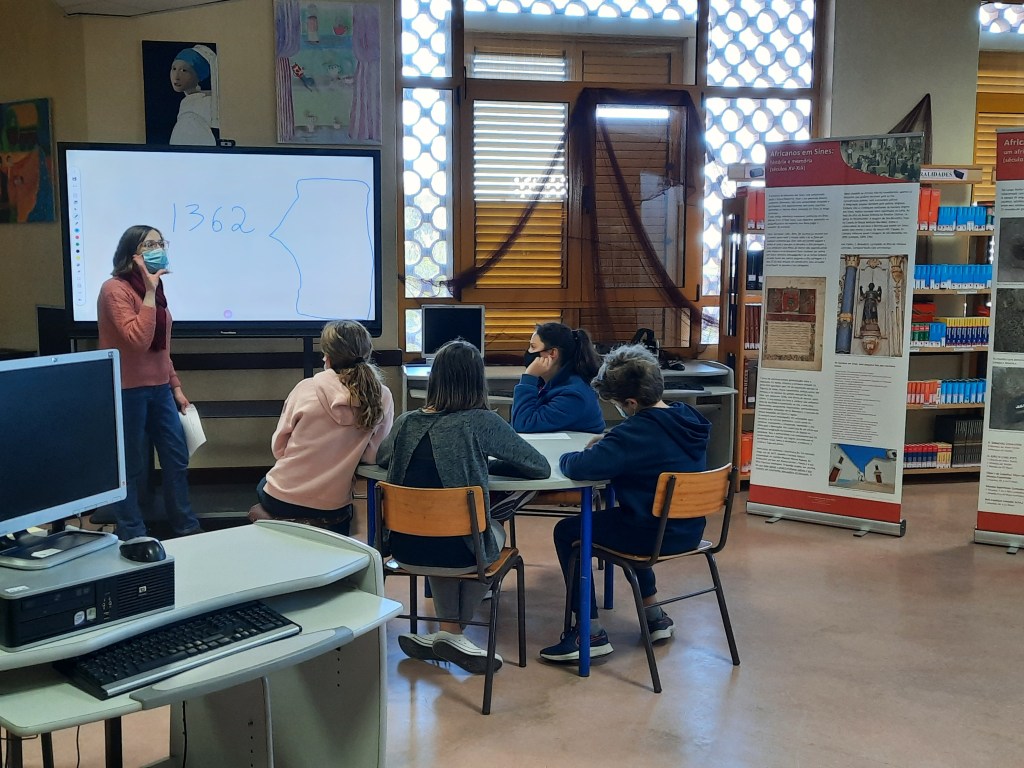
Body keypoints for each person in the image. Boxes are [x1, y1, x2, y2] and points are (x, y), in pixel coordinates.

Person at [376, 340, 550, 674]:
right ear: (477, 380)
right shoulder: (480, 421)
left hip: (404, 549)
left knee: (442, 532)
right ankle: (453, 634)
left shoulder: (407, 422)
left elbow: (383, 458)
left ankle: (446, 632)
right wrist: (489, 464)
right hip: (461, 553)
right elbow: (538, 467)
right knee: (489, 534)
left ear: (435, 379)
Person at [539, 344, 711, 663]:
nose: (618, 409)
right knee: (634, 516)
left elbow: (580, 467)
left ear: (631, 403)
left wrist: (569, 455)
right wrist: (613, 439)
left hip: (649, 535)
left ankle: (589, 632)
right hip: (689, 530)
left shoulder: (632, 435)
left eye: (617, 404)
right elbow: (647, 443)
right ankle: (654, 616)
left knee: (567, 532)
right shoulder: (688, 419)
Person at [97, 225, 202, 541]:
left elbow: (161, 347)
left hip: (160, 389)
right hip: (126, 390)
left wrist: (176, 386)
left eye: (160, 243)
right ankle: (133, 532)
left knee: (176, 457)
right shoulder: (114, 290)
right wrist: (150, 293)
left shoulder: (154, 291)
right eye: (150, 245)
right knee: (131, 466)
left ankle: (185, 525)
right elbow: (138, 340)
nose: (158, 249)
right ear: (133, 255)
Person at [249, 320, 394, 536]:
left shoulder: (305, 388)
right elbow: (373, 456)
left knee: (264, 484)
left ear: (327, 356)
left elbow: (279, 449)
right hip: (333, 506)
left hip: (282, 497)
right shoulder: (381, 396)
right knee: (347, 513)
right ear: (367, 352)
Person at [491, 322, 605, 521]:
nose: (528, 353)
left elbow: (523, 425)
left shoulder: (574, 394)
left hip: (566, 472)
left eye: (533, 347)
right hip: (549, 457)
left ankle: (497, 509)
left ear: (552, 354)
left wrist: (528, 378)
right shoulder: (553, 382)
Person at [169, 44, 218, 146]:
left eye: (184, 70)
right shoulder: (189, 102)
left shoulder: (203, 104)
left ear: (198, 75)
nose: (176, 76)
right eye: (174, 68)